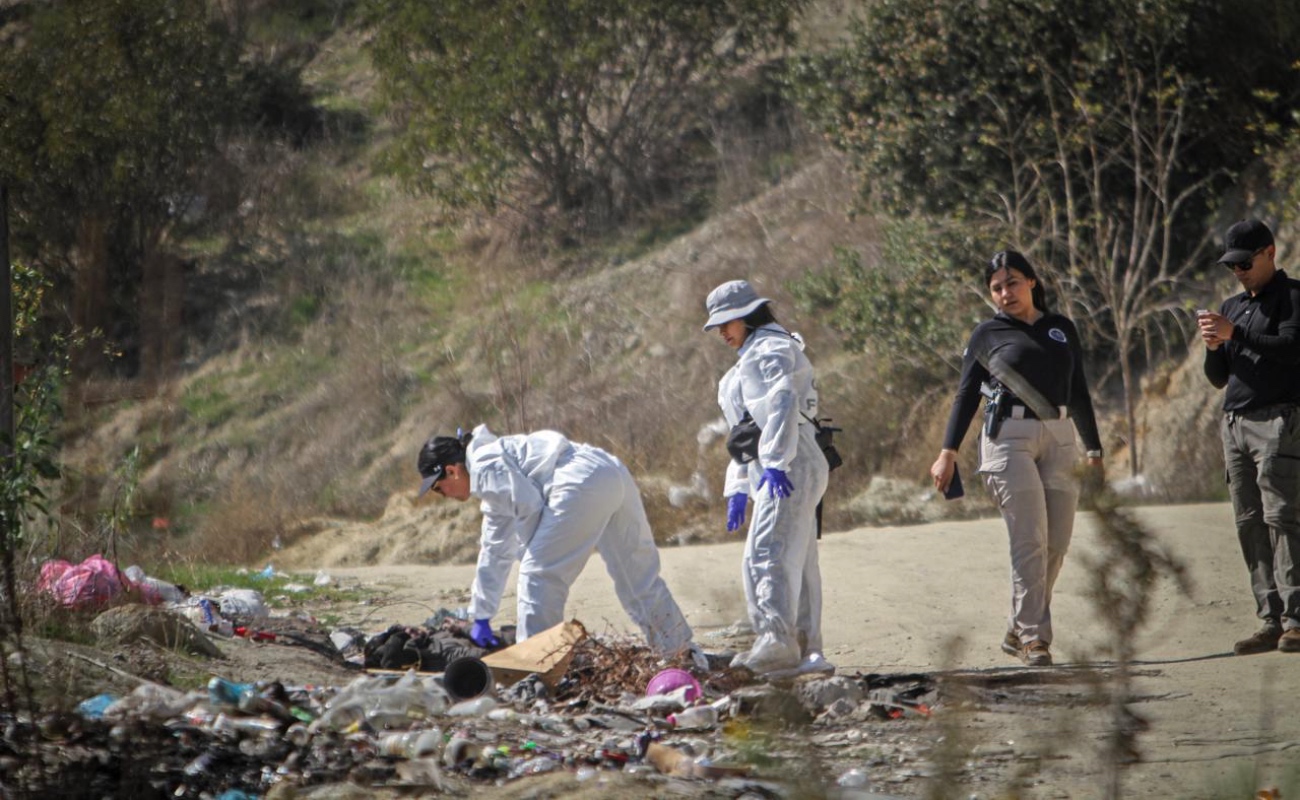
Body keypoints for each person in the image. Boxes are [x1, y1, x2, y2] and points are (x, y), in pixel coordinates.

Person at [929, 251, 1103, 667]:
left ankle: (1018, 624)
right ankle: (1034, 638)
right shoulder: (986, 335)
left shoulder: (1062, 328)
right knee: (1030, 538)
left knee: (1057, 543)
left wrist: (1094, 449)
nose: (1005, 293)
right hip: (1008, 438)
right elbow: (966, 394)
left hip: (1060, 436)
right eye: (996, 287)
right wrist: (947, 452)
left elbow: (1077, 389)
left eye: (1012, 283)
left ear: (1031, 282)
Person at [416, 425, 698, 659]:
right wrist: (481, 613)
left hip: (577, 483)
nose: (444, 496)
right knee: (637, 577)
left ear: (452, 471)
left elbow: (530, 508)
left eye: (439, 489)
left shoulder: (486, 468)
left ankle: (536, 668)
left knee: (536, 576)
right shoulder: (490, 463)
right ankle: (681, 652)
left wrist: (531, 559)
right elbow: (494, 547)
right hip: (609, 470)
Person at [703, 279, 832, 677]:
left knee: (768, 553)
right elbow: (745, 432)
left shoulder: (770, 349)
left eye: (729, 322)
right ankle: (809, 651)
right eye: (718, 325)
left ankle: (777, 641)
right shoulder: (754, 356)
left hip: (788, 464)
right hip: (786, 463)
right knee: (798, 558)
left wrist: (775, 461)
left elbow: (782, 401)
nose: (723, 331)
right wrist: (739, 485)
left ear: (750, 315)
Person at [1199, 218, 1300, 656]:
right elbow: (1219, 378)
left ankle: (1296, 619)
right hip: (1235, 423)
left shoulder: (1293, 297)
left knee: (1282, 518)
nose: (1237, 272)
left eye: (1244, 263)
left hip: (1279, 419)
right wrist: (1213, 347)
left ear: (1269, 253)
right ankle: (1270, 618)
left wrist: (1234, 332)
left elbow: (1290, 350)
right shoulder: (1233, 305)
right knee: (1249, 522)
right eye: (1231, 266)